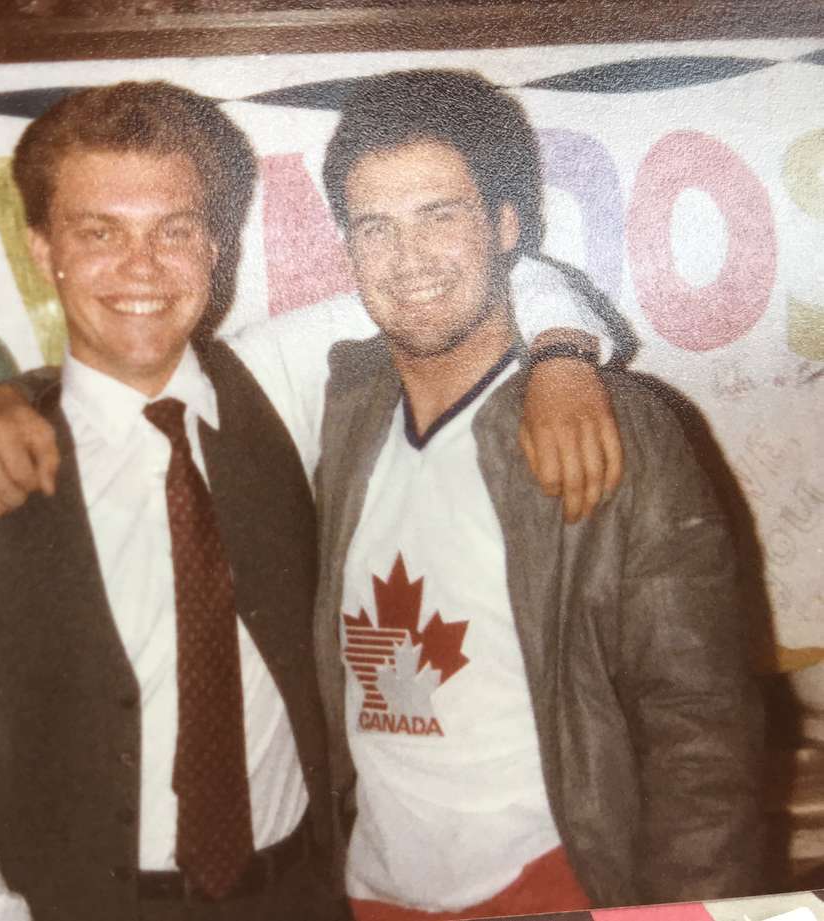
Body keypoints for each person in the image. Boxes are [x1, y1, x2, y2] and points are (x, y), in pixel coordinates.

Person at [0, 79, 621, 921]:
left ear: (216, 244)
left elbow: (459, 280)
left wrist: (562, 353)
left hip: (304, 898)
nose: (142, 268)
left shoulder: (279, 381)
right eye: (100, 232)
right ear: (42, 248)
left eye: (176, 229)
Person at [309, 71, 762, 918]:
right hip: (368, 891)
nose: (407, 259)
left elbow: (699, 723)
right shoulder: (338, 404)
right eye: (376, 226)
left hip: (555, 884)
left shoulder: (621, 426)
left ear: (507, 225)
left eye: (440, 215)